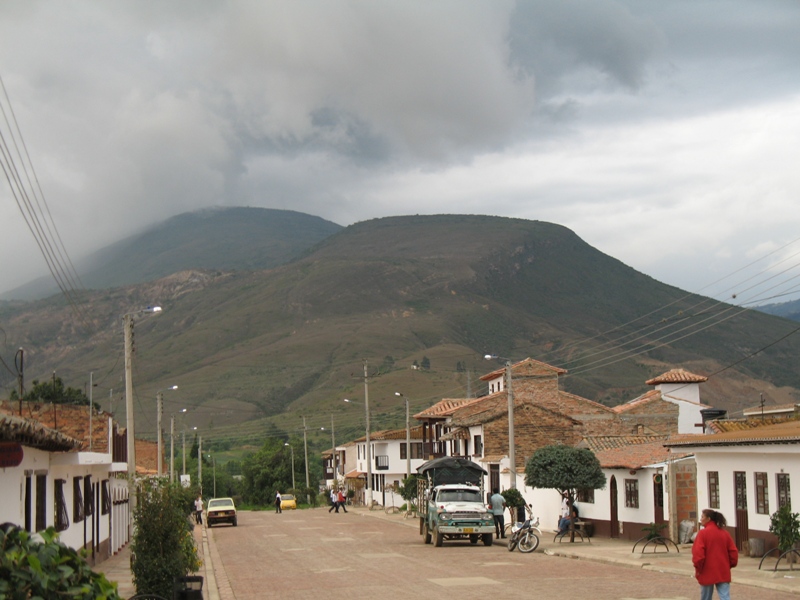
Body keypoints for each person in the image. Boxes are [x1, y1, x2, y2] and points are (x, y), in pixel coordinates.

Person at [692, 509, 738, 600]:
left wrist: (698, 568)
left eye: (702, 517)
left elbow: (698, 554)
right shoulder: (725, 534)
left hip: (706, 570)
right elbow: (733, 552)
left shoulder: (702, 534)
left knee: (706, 597)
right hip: (722, 570)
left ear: (708, 519)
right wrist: (729, 564)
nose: (700, 519)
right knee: (725, 596)